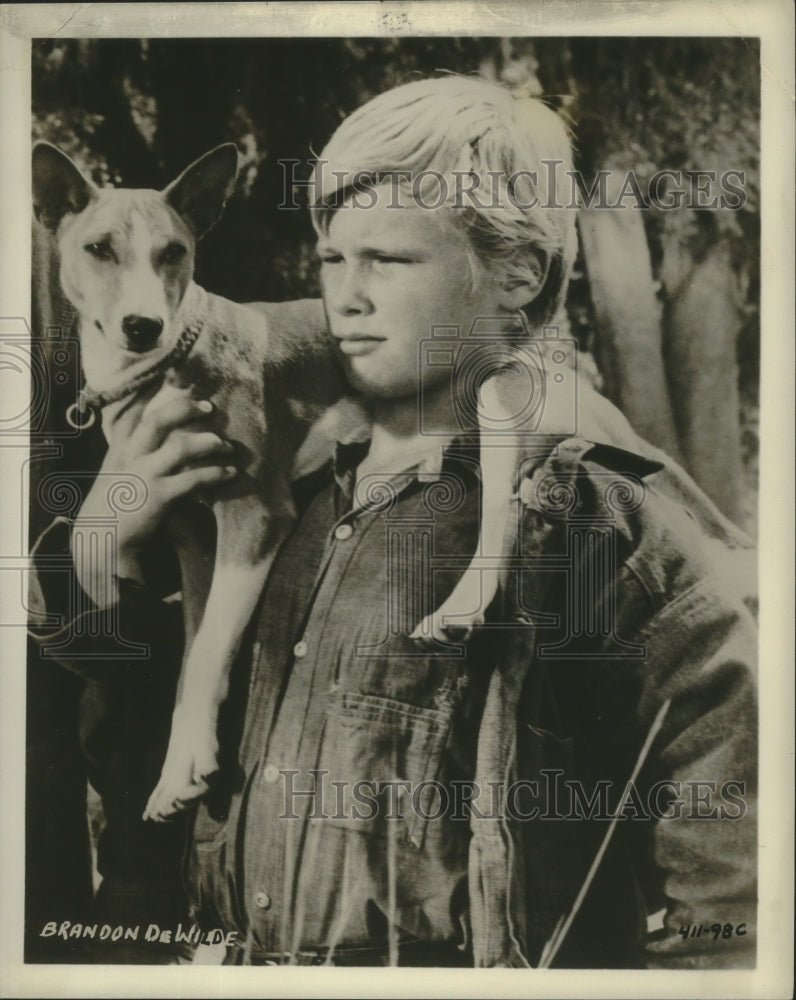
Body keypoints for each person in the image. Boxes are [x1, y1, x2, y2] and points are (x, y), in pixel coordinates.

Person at [28, 76, 757, 968]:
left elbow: (731, 887)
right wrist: (102, 538)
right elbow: (147, 777)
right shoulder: (295, 497)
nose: (347, 296)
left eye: (392, 260)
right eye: (333, 260)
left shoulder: (596, 519)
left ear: (520, 276)